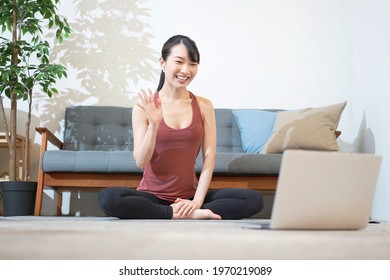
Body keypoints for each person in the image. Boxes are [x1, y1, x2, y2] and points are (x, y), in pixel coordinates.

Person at [98, 35, 263, 219]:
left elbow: (210, 157)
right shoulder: (143, 107)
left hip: (189, 197)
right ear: (163, 62)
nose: (186, 70)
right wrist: (154, 124)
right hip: (152, 197)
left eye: (193, 64)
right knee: (109, 198)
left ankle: (185, 212)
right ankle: (177, 214)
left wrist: (196, 202)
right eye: (179, 61)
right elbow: (141, 161)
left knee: (253, 199)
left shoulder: (204, 106)